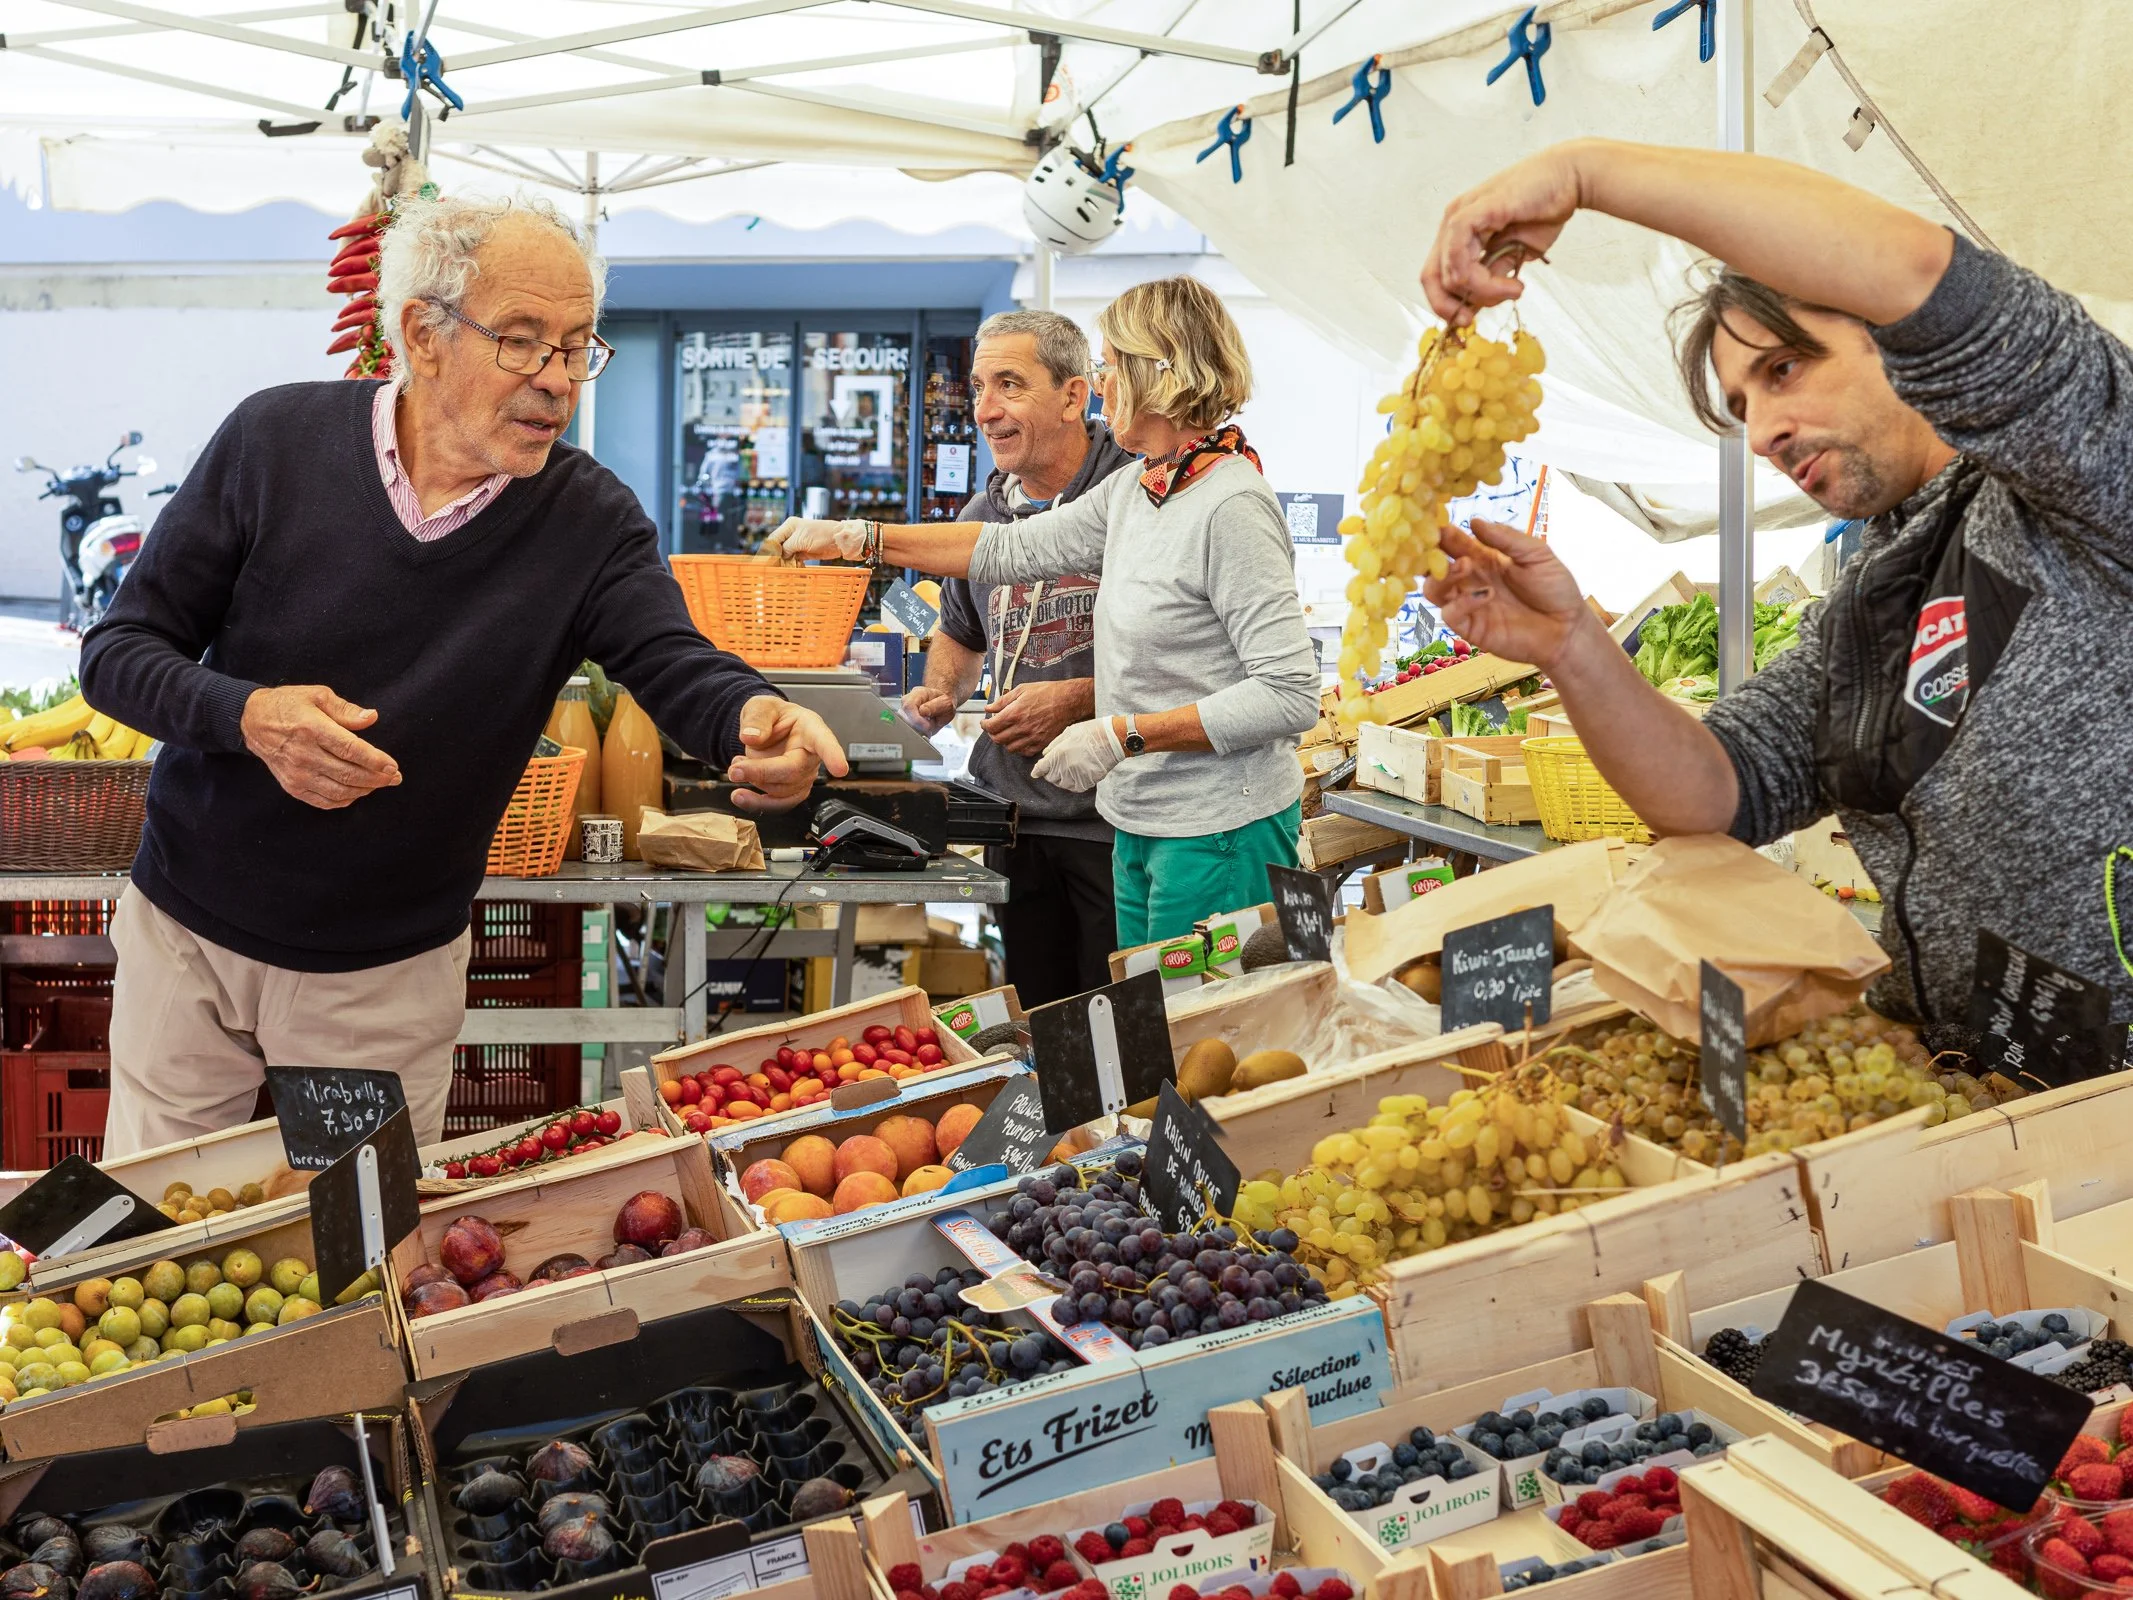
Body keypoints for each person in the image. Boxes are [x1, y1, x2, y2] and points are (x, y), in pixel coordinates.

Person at [80, 193, 847, 1155]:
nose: (558, 381)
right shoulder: (272, 442)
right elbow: (117, 654)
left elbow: (672, 658)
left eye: (577, 346)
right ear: (423, 335)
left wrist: (754, 712)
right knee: (158, 1230)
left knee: (364, 1259)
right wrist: (248, 715)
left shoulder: (589, 523)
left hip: (383, 976)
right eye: (523, 341)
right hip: (187, 933)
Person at [1418, 138, 2133, 1027]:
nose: (1760, 433)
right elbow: (1716, 792)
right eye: (1743, 406)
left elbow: (1926, 278)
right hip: (1989, 1096)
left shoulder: (2091, 474)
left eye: (1783, 370)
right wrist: (1570, 646)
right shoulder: (1870, 598)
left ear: (1893, 345)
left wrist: (1583, 174)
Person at [771, 277, 1319, 947]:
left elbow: (1290, 695)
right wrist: (860, 537)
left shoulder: (1230, 504)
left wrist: (1120, 733)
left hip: (1217, 828)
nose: (1101, 383)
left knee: (1200, 1038)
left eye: (1111, 366)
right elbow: (1009, 545)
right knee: (1137, 1033)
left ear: (1160, 371)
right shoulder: (1139, 490)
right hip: (1140, 823)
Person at [904, 311, 1135, 1005]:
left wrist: (1076, 699)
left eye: (1010, 385)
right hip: (1015, 815)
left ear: (1075, 395)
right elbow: (960, 630)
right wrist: (940, 691)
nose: (986, 411)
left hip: (1117, 820)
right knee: (1041, 1018)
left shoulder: (1132, 494)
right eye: (978, 388)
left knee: (1121, 1026)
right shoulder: (985, 510)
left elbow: (1198, 660)